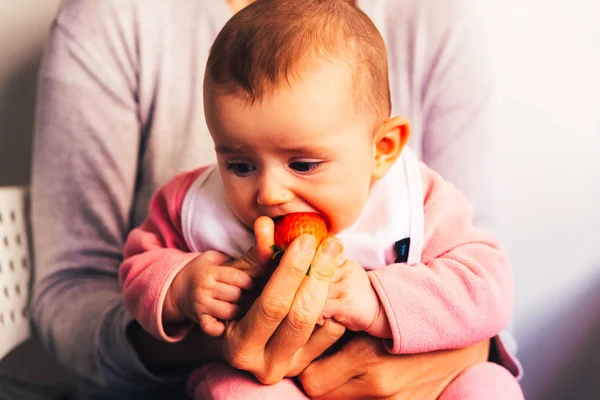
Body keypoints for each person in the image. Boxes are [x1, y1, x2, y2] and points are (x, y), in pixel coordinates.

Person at [30, 0, 519, 398]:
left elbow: (487, 287)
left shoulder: (418, 198)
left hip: (417, 380)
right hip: (264, 379)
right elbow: (135, 265)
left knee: (488, 383)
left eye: (304, 165)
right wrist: (181, 289)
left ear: (382, 149)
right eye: (240, 165)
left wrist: (375, 301)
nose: (269, 192)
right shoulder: (193, 202)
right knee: (233, 389)